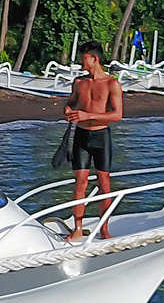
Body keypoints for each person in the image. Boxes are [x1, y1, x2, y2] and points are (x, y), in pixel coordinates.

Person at [62, 41, 123, 242]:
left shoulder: (111, 83)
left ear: (94, 59)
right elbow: (71, 102)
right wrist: (68, 110)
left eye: (84, 57)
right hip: (81, 136)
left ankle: (104, 229)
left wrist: (87, 115)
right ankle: (77, 228)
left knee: (104, 183)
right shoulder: (79, 82)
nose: (81, 61)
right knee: (80, 183)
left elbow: (117, 115)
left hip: (101, 137)